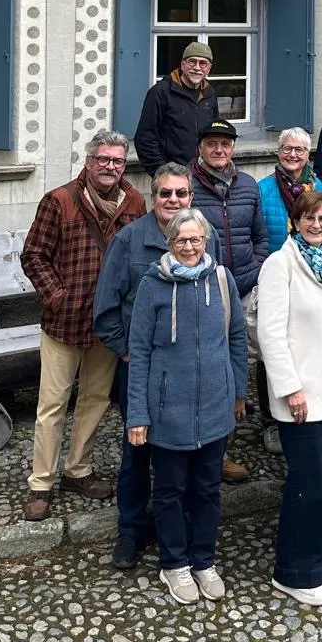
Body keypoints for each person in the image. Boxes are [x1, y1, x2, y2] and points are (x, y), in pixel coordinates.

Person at [93, 161, 221, 570]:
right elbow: (106, 309)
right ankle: (131, 528)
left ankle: (179, 526)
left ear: (191, 197)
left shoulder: (204, 236)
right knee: (137, 452)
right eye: (165, 193)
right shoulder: (130, 240)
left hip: (189, 374)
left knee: (185, 452)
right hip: (143, 369)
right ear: (153, 197)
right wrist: (127, 350)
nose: (173, 200)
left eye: (181, 193)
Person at [20, 130, 145, 522]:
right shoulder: (59, 201)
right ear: (88, 161)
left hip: (108, 327)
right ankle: (41, 483)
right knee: (52, 406)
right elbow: (34, 257)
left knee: (94, 402)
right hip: (63, 323)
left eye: (117, 161)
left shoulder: (135, 203)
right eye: (103, 160)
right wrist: (58, 296)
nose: (110, 167)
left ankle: (78, 471)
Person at [125, 209, 247, 604]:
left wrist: (237, 392)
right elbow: (139, 351)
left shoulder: (223, 280)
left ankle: (203, 561)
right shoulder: (152, 285)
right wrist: (138, 413)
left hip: (215, 408)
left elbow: (237, 339)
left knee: (208, 490)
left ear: (206, 242)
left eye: (196, 240)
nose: (190, 247)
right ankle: (174, 564)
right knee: (170, 490)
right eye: (182, 241)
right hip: (168, 410)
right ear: (170, 243)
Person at [257, 189, 322, 606]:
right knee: (309, 483)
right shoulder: (279, 265)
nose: (317, 225)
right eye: (309, 218)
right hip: (300, 394)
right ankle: (294, 571)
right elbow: (270, 333)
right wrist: (289, 387)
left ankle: (319, 552)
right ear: (295, 221)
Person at [188, 118, 267, 484]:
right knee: (207, 369)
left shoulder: (248, 186)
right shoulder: (187, 187)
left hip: (244, 286)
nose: (219, 150)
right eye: (212, 144)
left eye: (226, 144)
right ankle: (201, 448)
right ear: (201, 148)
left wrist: (258, 266)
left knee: (240, 367)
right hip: (203, 289)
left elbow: (260, 235)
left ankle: (224, 448)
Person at [132, 41, 219, 176]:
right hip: (171, 176)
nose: (197, 67)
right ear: (183, 64)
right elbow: (145, 139)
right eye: (192, 61)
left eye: (203, 63)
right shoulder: (160, 92)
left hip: (204, 175)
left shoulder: (209, 94)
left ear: (209, 68)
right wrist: (161, 173)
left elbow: (213, 134)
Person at [257, 128, 322, 258]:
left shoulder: (317, 186)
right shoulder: (262, 188)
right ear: (279, 152)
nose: (293, 155)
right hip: (276, 262)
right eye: (287, 148)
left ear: (307, 154)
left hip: (312, 261)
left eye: (299, 150)